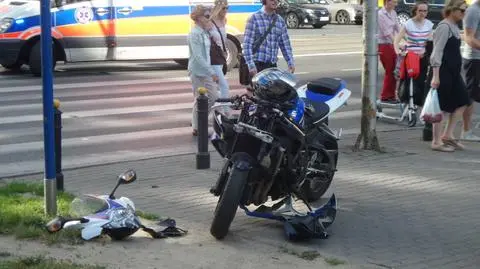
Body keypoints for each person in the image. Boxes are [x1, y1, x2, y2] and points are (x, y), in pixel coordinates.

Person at [429, 0, 470, 152]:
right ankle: (436, 141)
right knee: (442, 106)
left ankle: (448, 135)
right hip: (443, 72)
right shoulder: (444, 26)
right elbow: (436, 52)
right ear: (452, 10)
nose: (464, 13)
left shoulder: (454, 26)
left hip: (454, 73)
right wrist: (435, 76)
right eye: (462, 10)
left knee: (463, 101)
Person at [394, 1, 434, 108]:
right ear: (415, 11)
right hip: (411, 57)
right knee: (409, 81)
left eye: (425, 11)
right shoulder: (409, 24)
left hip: (423, 57)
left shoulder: (429, 24)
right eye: (420, 10)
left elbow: (430, 41)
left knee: (421, 81)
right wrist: (398, 51)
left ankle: (417, 103)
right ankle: (407, 101)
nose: (422, 13)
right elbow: (397, 39)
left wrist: (427, 52)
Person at [243, 0, 295, 81]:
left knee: (273, 92)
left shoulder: (280, 20)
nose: (275, 1)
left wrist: (290, 62)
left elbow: (285, 44)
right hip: (257, 66)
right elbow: (247, 45)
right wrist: (251, 66)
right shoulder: (254, 18)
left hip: (272, 66)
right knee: (256, 93)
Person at [188, 5, 219, 136]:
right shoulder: (194, 33)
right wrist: (211, 71)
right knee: (201, 99)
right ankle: (198, 126)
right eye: (206, 16)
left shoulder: (205, 31)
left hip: (206, 70)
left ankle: (198, 122)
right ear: (199, 17)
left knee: (213, 97)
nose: (209, 19)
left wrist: (211, 28)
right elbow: (198, 56)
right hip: (197, 71)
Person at [460, 0, 480, 141]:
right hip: (474, 59)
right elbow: (469, 38)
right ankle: (466, 131)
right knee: (470, 96)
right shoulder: (473, 10)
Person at [378, 0, 400, 103]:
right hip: (384, 45)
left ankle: (391, 95)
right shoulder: (380, 14)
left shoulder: (393, 12)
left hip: (392, 44)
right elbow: (387, 33)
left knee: (395, 71)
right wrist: (397, 44)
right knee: (390, 70)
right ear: (387, 2)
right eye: (394, 2)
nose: (396, 4)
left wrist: (406, 39)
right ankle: (385, 96)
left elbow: (397, 28)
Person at [209, 0, 230, 100]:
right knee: (224, 86)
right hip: (213, 58)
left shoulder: (224, 20)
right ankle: (225, 110)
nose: (226, 10)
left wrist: (224, 51)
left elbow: (223, 39)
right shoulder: (210, 23)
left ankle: (216, 109)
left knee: (215, 86)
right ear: (217, 9)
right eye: (223, 8)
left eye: (227, 8)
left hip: (220, 56)